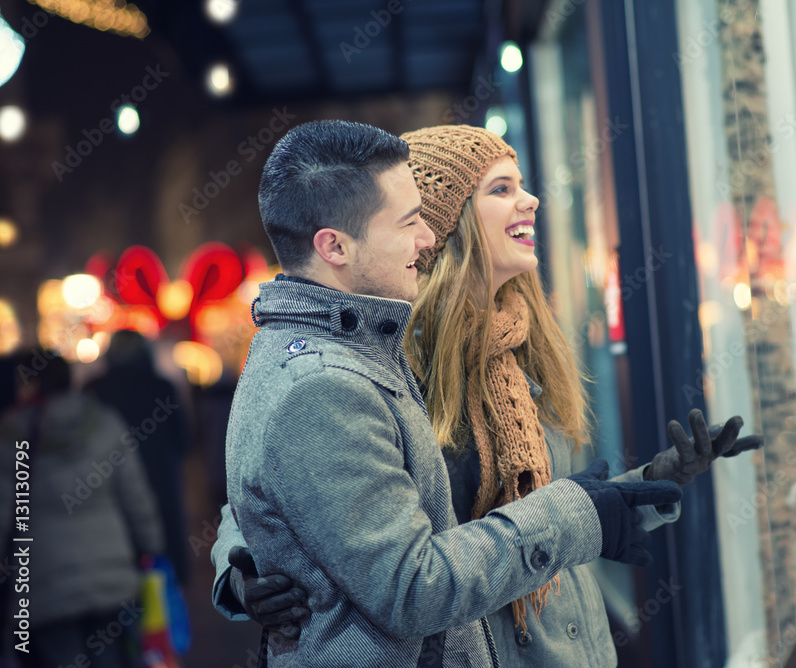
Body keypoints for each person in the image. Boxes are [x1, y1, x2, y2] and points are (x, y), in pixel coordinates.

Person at [213, 122, 762, 665]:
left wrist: (646, 486)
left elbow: (547, 506)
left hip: (565, 638)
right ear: (449, 221)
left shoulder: (521, 338)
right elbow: (288, 487)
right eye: (500, 189)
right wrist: (245, 571)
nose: (531, 201)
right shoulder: (392, 355)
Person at [0, 352, 164, 668]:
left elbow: (5, 514)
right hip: (110, 574)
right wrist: (152, 547)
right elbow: (136, 496)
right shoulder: (104, 421)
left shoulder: (11, 435)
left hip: (44, 582)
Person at [86, 330, 192, 584]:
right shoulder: (161, 387)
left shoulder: (95, 391)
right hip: (159, 481)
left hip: (108, 485)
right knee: (162, 573)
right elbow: (182, 440)